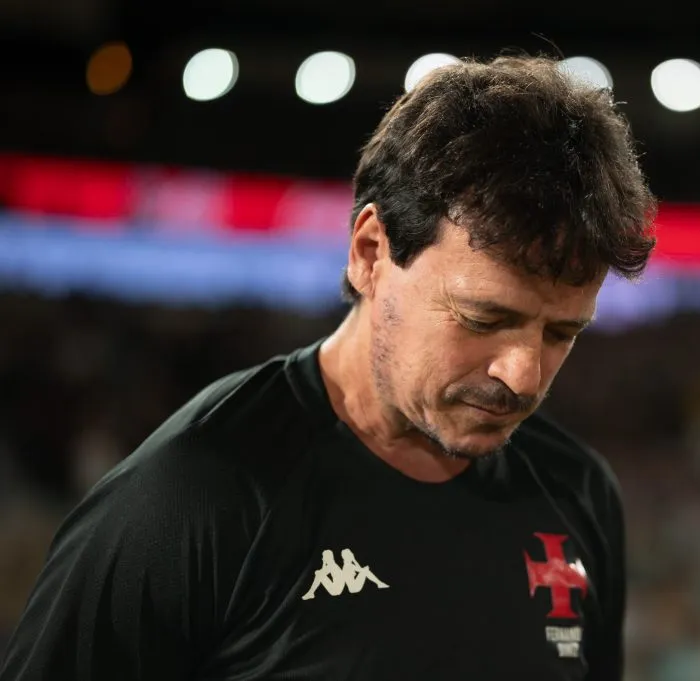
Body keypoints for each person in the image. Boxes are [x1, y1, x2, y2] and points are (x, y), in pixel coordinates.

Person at [0, 54, 656, 680]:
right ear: (371, 251)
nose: (523, 375)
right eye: (484, 319)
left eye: (564, 331)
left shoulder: (579, 496)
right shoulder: (192, 496)